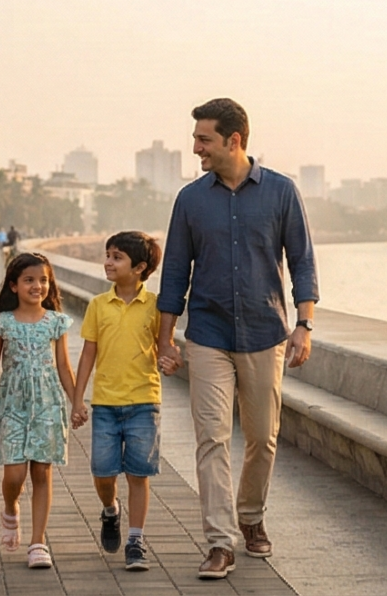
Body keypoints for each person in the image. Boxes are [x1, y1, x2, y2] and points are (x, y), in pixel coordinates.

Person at [155, 98, 319, 580]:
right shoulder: (190, 200)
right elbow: (174, 277)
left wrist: (304, 325)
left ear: (234, 140)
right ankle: (220, 542)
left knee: (263, 439)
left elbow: (303, 262)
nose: (195, 149)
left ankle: (250, 516)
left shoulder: (282, 193)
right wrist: (166, 340)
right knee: (211, 439)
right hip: (207, 334)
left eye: (203, 139)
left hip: (265, 333)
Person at [71, 230, 165, 572]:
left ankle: (136, 540)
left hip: (144, 401)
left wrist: (172, 357)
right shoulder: (98, 305)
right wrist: (78, 400)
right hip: (106, 404)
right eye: (107, 255)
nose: (108, 262)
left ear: (139, 268)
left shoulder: (156, 306)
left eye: (116, 257)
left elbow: (165, 345)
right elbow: (87, 354)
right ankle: (111, 510)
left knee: (139, 474)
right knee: (103, 471)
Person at [0, 252, 80, 571]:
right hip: (13, 405)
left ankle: (38, 541)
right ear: (13, 285)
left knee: (42, 471)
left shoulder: (56, 322)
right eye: (29, 280)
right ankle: (11, 505)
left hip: (47, 403)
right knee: (14, 473)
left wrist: (77, 401)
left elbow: (64, 368)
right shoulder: (1, 322)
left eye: (43, 280)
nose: (37, 286)